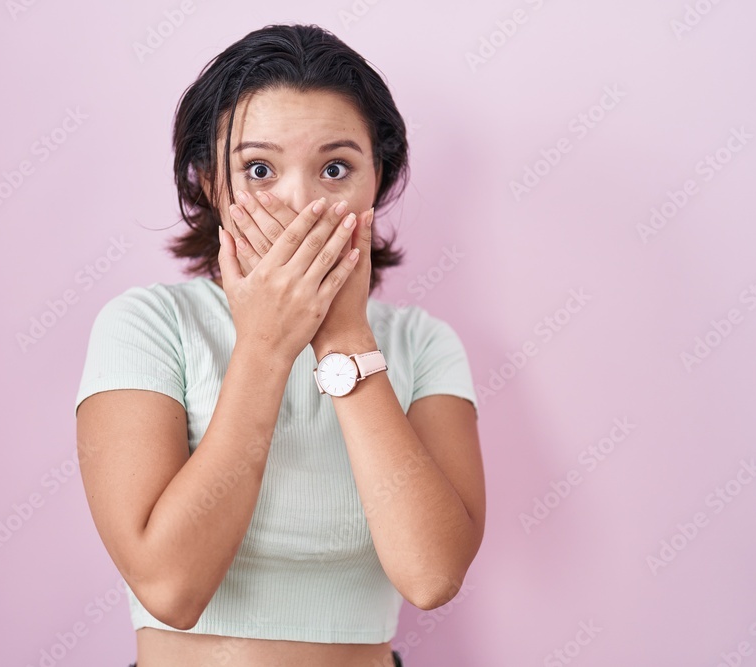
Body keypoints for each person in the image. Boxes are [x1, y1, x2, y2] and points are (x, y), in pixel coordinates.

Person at [74, 23, 485, 667]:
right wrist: (266, 346)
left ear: (377, 181)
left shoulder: (423, 344)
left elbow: (432, 575)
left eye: (335, 168)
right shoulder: (147, 325)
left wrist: (343, 336)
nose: (301, 201)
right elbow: (170, 589)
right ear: (210, 182)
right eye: (259, 168)